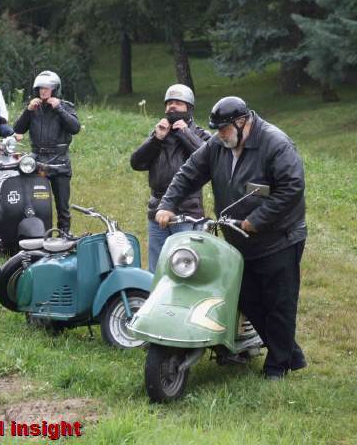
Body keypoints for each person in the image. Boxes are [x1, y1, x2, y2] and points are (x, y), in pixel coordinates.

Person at [155, 96, 307, 380]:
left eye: (224, 129)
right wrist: (167, 204)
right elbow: (188, 173)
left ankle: (278, 366)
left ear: (242, 121)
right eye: (217, 130)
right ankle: (289, 353)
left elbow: (292, 188)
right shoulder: (218, 145)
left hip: (279, 238)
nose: (220, 135)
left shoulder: (275, 144)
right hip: (238, 238)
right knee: (248, 299)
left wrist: (257, 221)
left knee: (278, 302)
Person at [130, 84, 211, 272]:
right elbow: (136, 163)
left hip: (187, 211)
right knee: (156, 269)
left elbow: (209, 161)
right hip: (157, 210)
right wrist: (156, 138)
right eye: (169, 103)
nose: (171, 107)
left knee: (185, 268)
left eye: (177, 103)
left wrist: (185, 133)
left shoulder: (200, 134)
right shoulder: (160, 133)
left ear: (188, 108)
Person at [13, 71, 81, 234]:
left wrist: (59, 109)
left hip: (60, 162)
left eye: (47, 88)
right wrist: (28, 110)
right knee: (36, 201)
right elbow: (18, 128)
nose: (43, 91)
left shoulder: (65, 106)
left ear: (55, 89)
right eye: (40, 88)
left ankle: (64, 234)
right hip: (38, 162)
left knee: (62, 205)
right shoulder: (33, 108)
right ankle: (38, 232)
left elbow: (75, 128)